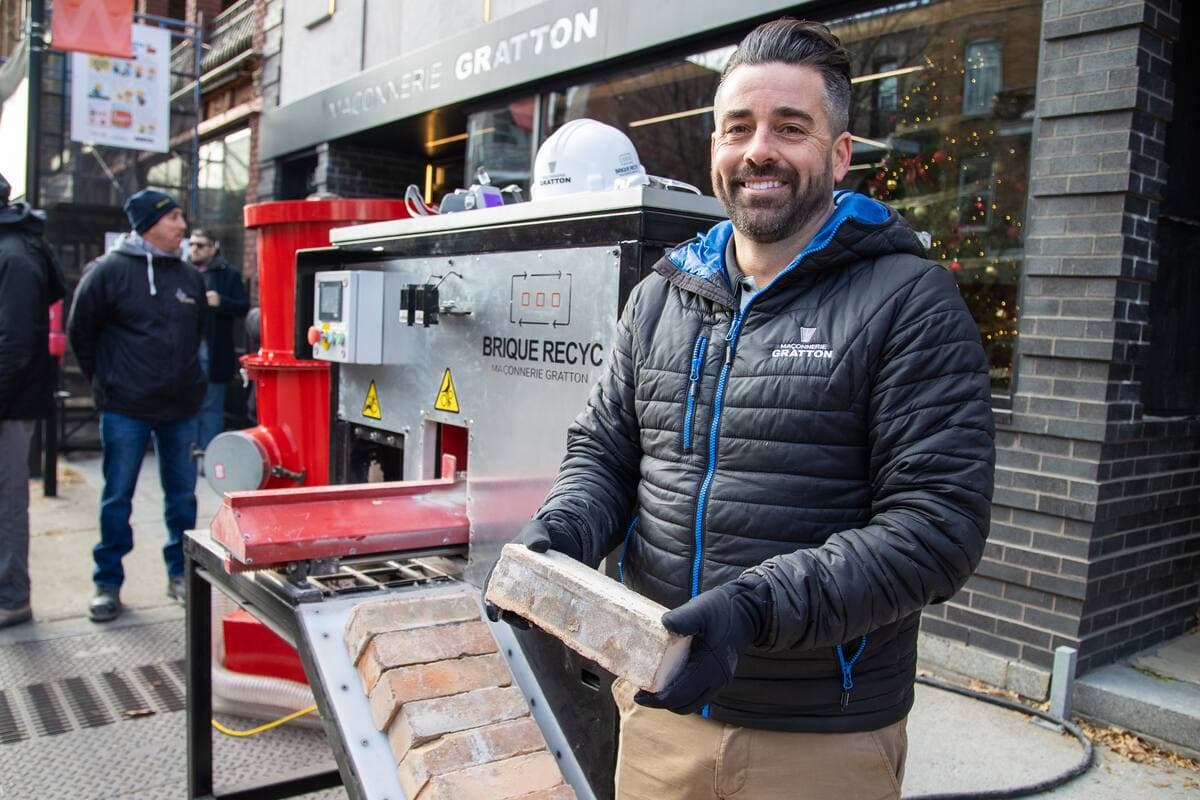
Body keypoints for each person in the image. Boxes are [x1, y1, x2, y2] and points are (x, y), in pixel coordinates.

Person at [487, 18, 995, 800]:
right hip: (661, 711)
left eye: (790, 128)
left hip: (821, 738)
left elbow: (937, 526)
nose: (759, 150)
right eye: (739, 128)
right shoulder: (663, 295)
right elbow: (606, 453)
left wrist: (756, 609)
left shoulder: (908, 302)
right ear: (715, 147)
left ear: (840, 153)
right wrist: (565, 531)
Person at [67, 189, 207, 622]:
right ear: (148, 223)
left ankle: (180, 575)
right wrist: (106, 382)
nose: (183, 226)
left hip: (180, 408)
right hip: (125, 407)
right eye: (174, 218)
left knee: (183, 499)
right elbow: (80, 333)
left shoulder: (189, 275)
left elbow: (197, 332)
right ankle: (107, 583)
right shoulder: (107, 272)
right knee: (117, 499)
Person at [0, 172, 66, 629]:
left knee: (6, 500)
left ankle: (11, 596)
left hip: (8, 400)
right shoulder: (16, 248)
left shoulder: (14, 254)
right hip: (11, 395)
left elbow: (17, 343)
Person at [186, 227, 249, 449]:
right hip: (186, 349)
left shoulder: (227, 273)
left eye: (200, 245)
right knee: (188, 405)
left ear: (213, 248)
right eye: (191, 244)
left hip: (214, 350)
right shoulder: (182, 271)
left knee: (211, 407)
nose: (194, 249)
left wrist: (221, 301)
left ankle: (208, 456)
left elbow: (243, 307)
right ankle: (189, 455)